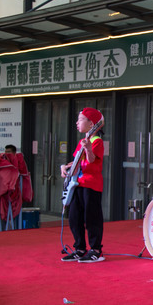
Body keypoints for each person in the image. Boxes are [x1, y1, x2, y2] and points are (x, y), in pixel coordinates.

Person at [60, 108, 105, 263]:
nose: (77, 123)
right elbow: (76, 162)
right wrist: (64, 167)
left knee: (92, 217)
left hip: (91, 184)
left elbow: (91, 160)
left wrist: (88, 148)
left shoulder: (96, 141)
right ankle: (79, 248)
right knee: (74, 217)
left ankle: (95, 250)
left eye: (80, 119)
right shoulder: (82, 141)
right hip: (77, 184)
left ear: (91, 124)